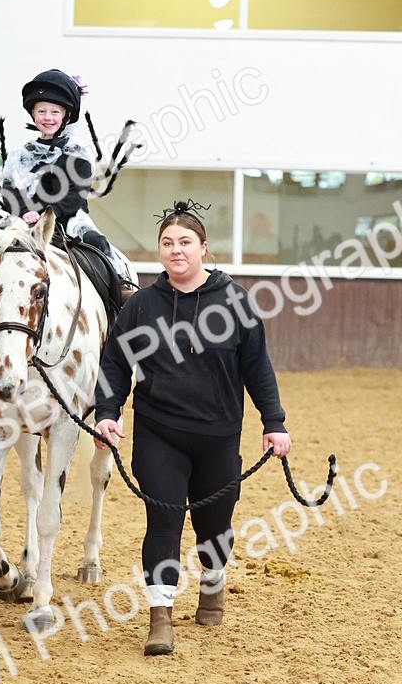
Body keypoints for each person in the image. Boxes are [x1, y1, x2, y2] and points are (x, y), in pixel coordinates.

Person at [94, 200, 291, 658]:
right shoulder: (141, 306)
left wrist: (274, 422)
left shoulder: (235, 301)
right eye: (167, 243)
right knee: (163, 521)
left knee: (213, 528)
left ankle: (213, 578)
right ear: (159, 251)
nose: (175, 250)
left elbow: (257, 367)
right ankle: (160, 617)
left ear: (203, 248)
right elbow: (115, 364)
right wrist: (107, 410)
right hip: (159, 432)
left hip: (219, 435)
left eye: (185, 243)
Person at [0, 68, 134, 288]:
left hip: (66, 219)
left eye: (54, 112)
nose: (47, 118)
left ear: (65, 116)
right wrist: (25, 212)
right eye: (41, 111)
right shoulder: (20, 153)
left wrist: (46, 214)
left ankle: (119, 295)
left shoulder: (77, 151)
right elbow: (10, 190)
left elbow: (74, 195)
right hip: (24, 220)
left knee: (98, 245)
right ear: (33, 114)